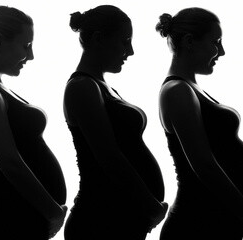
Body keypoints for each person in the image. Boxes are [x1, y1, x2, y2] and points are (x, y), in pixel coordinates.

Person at [155, 8, 243, 240]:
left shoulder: (189, 89)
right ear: (189, 42)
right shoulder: (178, 91)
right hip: (196, 224)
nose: (222, 51)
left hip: (212, 221)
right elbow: (203, 164)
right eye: (216, 42)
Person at [0, 6, 67, 240]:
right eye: (26, 46)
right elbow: (9, 163)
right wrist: (53, 212)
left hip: (20, 222)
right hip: (3, 223)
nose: (30, 56)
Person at [63, 5, 167, 240]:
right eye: (125, 41)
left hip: (117, 218)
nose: (130, 51)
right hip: (100, 221)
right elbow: (108, 155)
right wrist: (150, 205)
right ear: (99, 39)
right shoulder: (82, 86)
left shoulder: (100, 87)